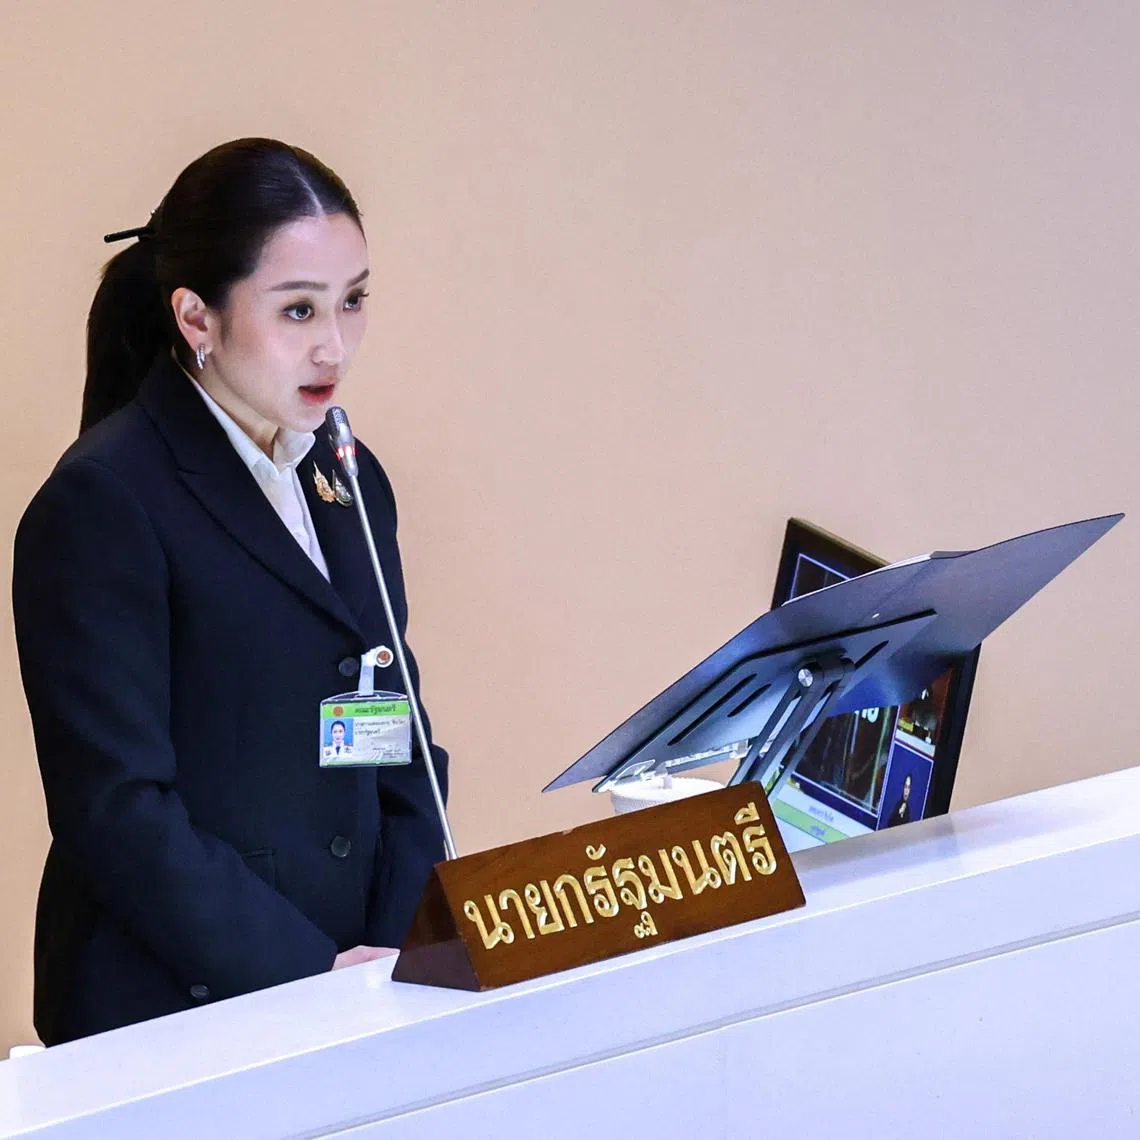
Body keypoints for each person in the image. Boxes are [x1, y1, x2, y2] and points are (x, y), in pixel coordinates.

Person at [12, 138, 448, 1045]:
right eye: (298, 310)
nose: (335, 345)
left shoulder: (349, 478)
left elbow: (393, 729)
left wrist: (405, 942)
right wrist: (309, 977)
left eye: (353, 301)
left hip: (358, 985)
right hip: (179, 1003)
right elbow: (117, 812)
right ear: (196, 319)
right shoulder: (104, 500)